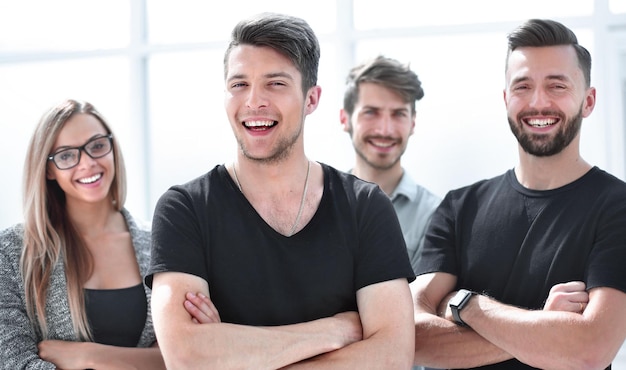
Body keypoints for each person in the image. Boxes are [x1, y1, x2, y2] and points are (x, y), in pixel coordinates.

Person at [146, 12, 416, 369]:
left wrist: (234, 351)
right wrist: (330, 332)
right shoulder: (184, 210)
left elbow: (392, 357)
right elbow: (186, 355)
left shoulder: (365, 206)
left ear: (311, 99)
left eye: (275, 83)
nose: (253, 102)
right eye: (239, 84)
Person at [411, 18, 626, 370]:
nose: (538, 102)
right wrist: (545, 323)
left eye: (557, 86)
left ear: (588, 101)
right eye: (523, 86)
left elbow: (590, 349)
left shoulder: (617, 207)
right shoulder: (459, 207)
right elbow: (415, 338)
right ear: (506, 98)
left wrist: (467, 305)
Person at [0, 99, 165, 369]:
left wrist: (88, 356)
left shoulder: (161, 242)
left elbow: (188, 355)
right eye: (66, 155)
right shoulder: (10, 253)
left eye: (97, 145)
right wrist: (146, 361)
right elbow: (14, 363)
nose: (87, 163)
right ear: (48, 170)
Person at [340, 55, 441, 274]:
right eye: (371, 112)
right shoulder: (315, 204)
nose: (385, 130)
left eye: (398, 114)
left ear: (412, 123)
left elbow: (416, 304)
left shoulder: (435, 215)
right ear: (345, 119)